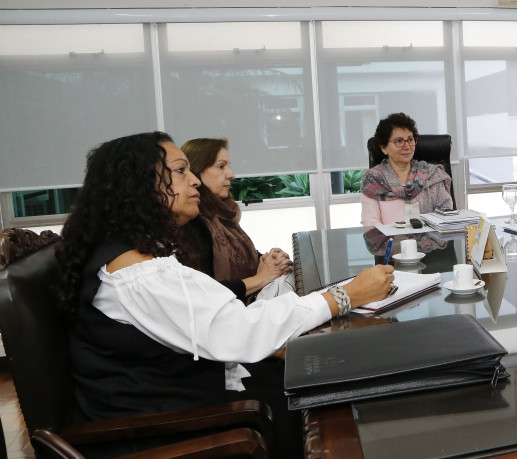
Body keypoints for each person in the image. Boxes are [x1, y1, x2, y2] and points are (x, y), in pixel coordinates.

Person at [55, 132, 393, 456]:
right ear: (138, 187)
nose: (195, 181)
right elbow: (241, 331)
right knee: (323, 397)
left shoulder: (134, 256)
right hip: (161, 431)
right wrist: (345, 295)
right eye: (180, 171)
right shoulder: (137, 276)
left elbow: (216, 325)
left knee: (312, 371)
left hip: (183, 398)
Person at [179, 137, 289, 300]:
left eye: (229, 166)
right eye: (221, 166)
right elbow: (203, 293)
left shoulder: (223, 214)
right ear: (196, 172)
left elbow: (250, 258)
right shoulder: (192, 222)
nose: (231, 174)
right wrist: (261, 279)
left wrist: (273, 260)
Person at [361, 112, 453, 226]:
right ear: (384, 147)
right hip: (390, 241)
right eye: (399, 141)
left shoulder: (432, 175)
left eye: (410, 139)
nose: (407, 146)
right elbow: (370, 222)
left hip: (431, 241)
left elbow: (445, 214)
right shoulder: (373, 180)